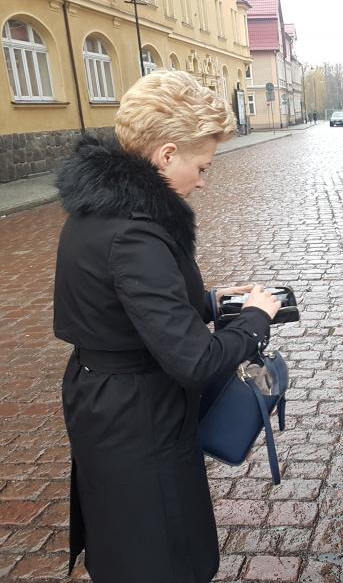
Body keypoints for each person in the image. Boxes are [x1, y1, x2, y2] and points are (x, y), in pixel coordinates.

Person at [53, 70, 281, 583]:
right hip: (139, 418)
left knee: (129, 537)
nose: (202, 180)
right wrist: (254, 321)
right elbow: (195, 360)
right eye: (201, 167)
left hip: (108, 401)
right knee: (160, 552)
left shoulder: (101, 211)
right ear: (167, 154)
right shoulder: (135, 232)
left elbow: (122, 307)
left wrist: (208, 302)